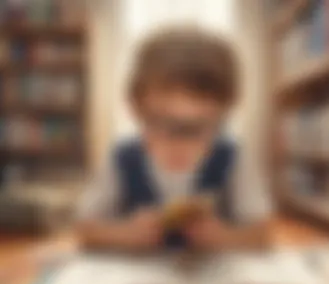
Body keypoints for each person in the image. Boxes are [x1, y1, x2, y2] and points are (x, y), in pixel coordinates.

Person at [78, 26, 271, 251]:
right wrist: (124, 234)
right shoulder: (122, 157)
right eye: (159, 122)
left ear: (225, 113)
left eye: (195, 129)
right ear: (135, 107)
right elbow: (86, 230)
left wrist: (223, 236)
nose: (178, 143)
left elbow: (261, 234)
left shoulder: (234, 157)